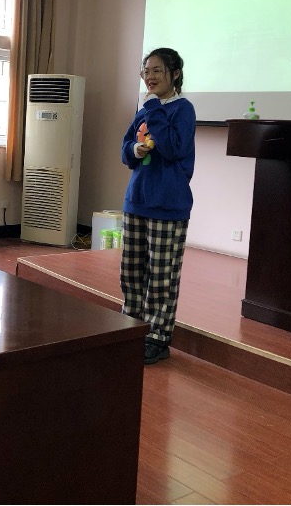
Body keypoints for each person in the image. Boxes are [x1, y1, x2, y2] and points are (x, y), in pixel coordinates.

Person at [119, 47, 196, 365]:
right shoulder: (146, 110)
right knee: (131, 271)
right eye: (146, 71)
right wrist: (133, 149)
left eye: (156, 71)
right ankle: (130, 329)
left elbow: (173, 147)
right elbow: (125, 148)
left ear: (175, 74)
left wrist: (152, 109)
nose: (149, 77)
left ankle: (157, 338)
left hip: (168, 204)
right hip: (137, 201)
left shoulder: (182, 109)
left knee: (161, 276)